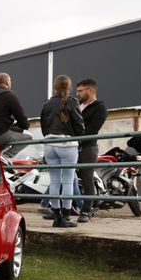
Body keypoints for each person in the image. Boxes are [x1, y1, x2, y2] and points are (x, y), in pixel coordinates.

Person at [40, 75, 85, 228]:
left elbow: (43, 126)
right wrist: (79, 140)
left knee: (54, 180)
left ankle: (56, 216)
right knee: (67, 181)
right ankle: (65, 217)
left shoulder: (47, 104)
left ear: (55, 87)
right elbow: (79, 125)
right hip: (67, 144)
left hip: (49, 144)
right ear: (69, 87)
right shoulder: (72, 102)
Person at [75, 78, 107, 223]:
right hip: (72, 146)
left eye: (80, 91)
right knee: (67, 176)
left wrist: (74, 135)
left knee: (87, 179)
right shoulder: (78, 105)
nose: (77, 94)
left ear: (90, 90)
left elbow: (92, 130)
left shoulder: (100, 107)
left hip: (88, 147)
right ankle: (61, 210)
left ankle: (86, 211)